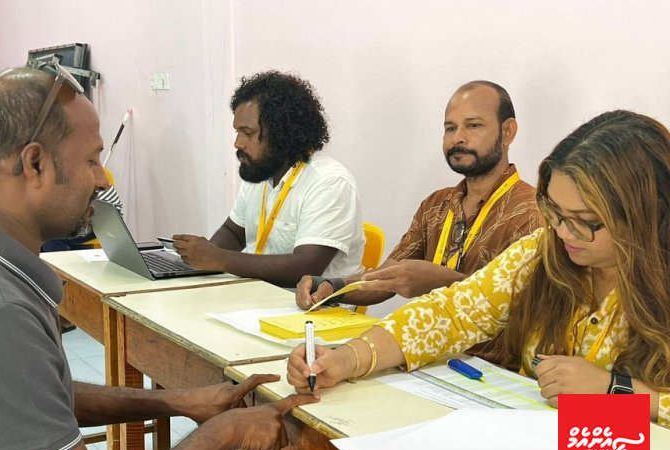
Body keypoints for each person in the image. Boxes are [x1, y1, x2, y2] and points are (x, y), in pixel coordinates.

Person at [0, 65, 314, 450]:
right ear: (34, 164)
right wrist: (224, 433)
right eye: (91, 161)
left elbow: (39, 397)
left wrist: (178, 402)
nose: (102, 180)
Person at [288, 110, 670, 426]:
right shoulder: (542, 252)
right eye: (554, 212)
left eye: (584, 221)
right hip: (541, 447)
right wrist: (345, 359)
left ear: (646, 214)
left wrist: (615, 390)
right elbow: (453, 313)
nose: (563, 231)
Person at [296, 80, 540, 365]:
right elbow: (387, 278)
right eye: (450, 128)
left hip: (493, 370)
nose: (458, 138)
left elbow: (530, 314)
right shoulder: (437, 205)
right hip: (426, 359)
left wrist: (443, 282)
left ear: (507, 131)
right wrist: (332, 286)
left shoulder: (533, 213)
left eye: (473, 126)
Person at [173, 71, 364, 288]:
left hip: (313, 306)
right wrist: (202, 257)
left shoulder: (329, 182)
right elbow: (233, 233)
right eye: (237, 132)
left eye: (247, 133)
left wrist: (219, 259)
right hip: (259, 296)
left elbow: (306, 268)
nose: (238, 143)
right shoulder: (260, 172)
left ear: (282, 133)